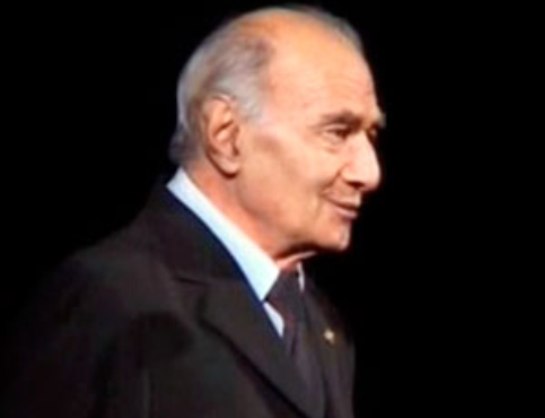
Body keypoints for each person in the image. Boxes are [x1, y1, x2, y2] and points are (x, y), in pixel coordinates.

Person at [2, 5, 385, 418]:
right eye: (337, 132)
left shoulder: (319, 319)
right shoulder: (111, 300)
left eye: (370, 134)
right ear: (226, 135)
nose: (370, 172)